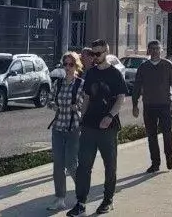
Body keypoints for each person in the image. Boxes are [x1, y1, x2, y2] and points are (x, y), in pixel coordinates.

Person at [68, 39, 129, 217]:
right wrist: (81, 117)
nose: (95, 57)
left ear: (106, 52)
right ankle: (81, 203)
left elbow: (120, 98)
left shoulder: (115, 74)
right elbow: (87, 97)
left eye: (98, 53)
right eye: (93, 53)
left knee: (110, 166)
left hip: (108, 128)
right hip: (89, 126)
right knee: (83, 167)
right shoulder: (91, 73)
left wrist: (110, 116)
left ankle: (108, 200)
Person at [131, 40, 172, 173]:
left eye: (157, 49)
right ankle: (155, 163)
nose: (154, 51)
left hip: (165, 104)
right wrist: (135, 105)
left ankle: (169, 156)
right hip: (149, 105)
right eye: (152, 49)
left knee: (167, 132)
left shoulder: (168, 65)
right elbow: (136, 87)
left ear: (161, 51)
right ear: (148, 51)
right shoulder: (143, 67)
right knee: (151, 135)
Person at [47, 51, 85, 211]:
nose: (68, 67)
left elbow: (85, 103)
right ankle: (60, 198)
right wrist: (54, 105)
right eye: (66, 64)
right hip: (58, 128)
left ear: (76, 66)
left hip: (74, 128)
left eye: (71, 64)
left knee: (71, 164)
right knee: (58, 165)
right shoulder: (58, 83)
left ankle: (82, 194)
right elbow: (49, 100)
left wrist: (78, 106)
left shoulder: (80, 84)